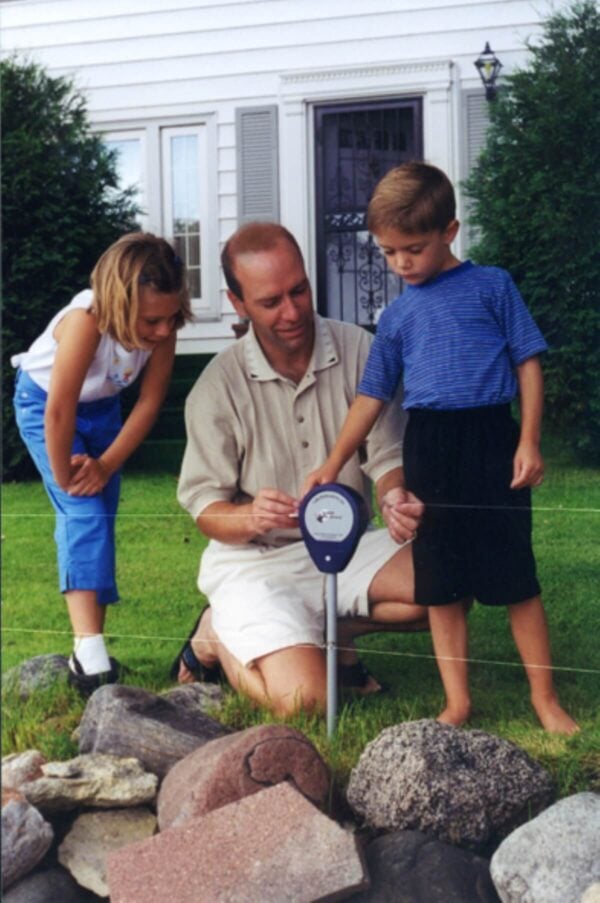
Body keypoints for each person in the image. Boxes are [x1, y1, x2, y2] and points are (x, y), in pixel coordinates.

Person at [304, 162, 578, 734]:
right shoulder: (398, 315)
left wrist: (528, 440)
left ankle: (545, 699)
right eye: (388, 252)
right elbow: (371, 397)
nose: (401, 263)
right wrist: (332, 464)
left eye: (413, 249)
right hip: (428, 446)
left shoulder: (493, 286)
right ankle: (458, 702)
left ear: (449, 232)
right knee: (441, 582)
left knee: (516, 579)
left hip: (489, 441)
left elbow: (528, 364)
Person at [175, 222, 431, 716]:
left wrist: (393, 495)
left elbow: (387, 457)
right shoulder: (215, 387)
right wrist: (250, 517)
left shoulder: (360, 348)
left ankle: (314, 634)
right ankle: (217, 635)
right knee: (307, 703)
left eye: (299, 290)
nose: (292, 312)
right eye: (271, 302)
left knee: (445, 580)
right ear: (238, 303)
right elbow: (206, 509)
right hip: (256, 563)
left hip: (347, 546)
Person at [12, 232, 192, 693]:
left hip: (103, 409)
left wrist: (106, 465)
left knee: (103, 514)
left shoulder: (163, 327)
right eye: (152, 320)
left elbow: (149, 404)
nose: (162, 331)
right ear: (118, 301)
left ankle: (90, 647)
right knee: (82, 512)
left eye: (171, 319)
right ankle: (89, 656)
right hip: (47, 406)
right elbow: (58, 409)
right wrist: (65, 476)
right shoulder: (85, 322)